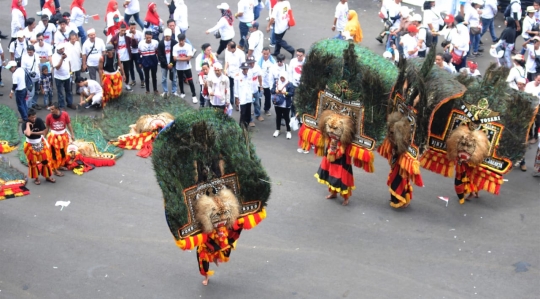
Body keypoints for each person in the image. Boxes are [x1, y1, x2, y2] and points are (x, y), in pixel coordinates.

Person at [22, 109, 55, 185]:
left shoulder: (39, 120)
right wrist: (28, 124)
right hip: (30, 144)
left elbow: (43, 132)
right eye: (32, 118)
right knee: (33, 163)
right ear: (28, 117)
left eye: (35, 117)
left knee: (45, 161)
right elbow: (27, 133)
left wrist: (33, 132)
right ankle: (36, 178)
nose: (34, 119)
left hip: (40, 142)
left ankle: (47, 176)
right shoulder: (24, 124)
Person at [46, 103, 75, 177]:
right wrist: (44, 138)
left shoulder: (65, 114)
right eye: (50, 109)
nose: (51, 111)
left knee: (62, 152)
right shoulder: (49, 117)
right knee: (54, 154)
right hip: (53, 138)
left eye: (52, 109)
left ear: (57, 109)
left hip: (63, 137)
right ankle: (55, 169)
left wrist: (72, 134)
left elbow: (69, 124)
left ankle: (60, 165)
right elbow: (47, 128)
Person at [172, 33, 196, 103]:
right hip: (179, 67)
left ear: (184, 39)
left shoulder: (188, 46)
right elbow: (174, 58)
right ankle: (182, 93)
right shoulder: (175, 47)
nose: (181, 42)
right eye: (180, 40)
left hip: (187, 67)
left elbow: (189, 58)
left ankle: (194, 95)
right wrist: (184, 58)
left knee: (190, 81)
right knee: (180, 80)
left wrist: (178, 58)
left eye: (182, 40)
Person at [110, 23, 135, 91]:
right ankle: (117, 85)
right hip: (118, 58)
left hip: (126, 57)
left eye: (124, 30)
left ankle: (127, 84)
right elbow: (110, 45)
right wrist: (113, 53)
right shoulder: (115, 37)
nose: (123, 32)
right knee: (116, 71)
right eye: (122, 30)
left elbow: (133, 44)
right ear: (119, 29)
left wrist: (132, 39)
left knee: (126, 71)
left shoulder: (127, 37)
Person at [271, 70, 294, 139]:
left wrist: (285, 93)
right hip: (277, 103)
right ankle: (278, 129)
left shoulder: (290, 84)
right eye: (281, 78)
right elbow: (271, 90)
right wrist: (275, 91)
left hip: (286, 104)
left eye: (283, 78)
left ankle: (288, 131)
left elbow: (292, 93)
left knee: (287, 118)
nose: (282, 79)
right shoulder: (276, 83)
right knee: (278, 117)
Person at [52, 44, 75, 110]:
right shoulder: (54, 56)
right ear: (57, 50)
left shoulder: (66, 53)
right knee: (60, 92)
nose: (62, 50)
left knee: (69, 90)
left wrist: (71, 71)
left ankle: (69, 103)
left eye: (63, 49)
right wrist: (62, 59)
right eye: (60, 49)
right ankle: (62, 106)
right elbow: (57, 67)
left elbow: (69, 62)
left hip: (67, 76)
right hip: (58, 77)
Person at [157, 28, 178, 98]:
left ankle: (174, 91)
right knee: (163, 79)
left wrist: (171, 64)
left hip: (172, 64)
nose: (167, 37)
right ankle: (165, 91)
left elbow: (175, 55)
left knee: (174, 78)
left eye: (168, 36)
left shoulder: (174, 43)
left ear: (171, 36)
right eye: (166, 36)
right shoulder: (161, 43)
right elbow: (160, 55)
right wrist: (166, 64)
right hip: (164, 65)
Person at [224, 41, 245, 108]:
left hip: (237, 74)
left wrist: (239, 73)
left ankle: (238, 103)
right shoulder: (227, 51)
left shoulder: (241, 54)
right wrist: (225, 69)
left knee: (237, 89)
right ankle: (231, 101)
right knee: (230, 87)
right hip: (229, 73)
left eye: (229, 48)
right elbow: (227, 62)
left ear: (233, 48)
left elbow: (243, 65)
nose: (227, 49)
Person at [21, 45, 41, 111]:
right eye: (28, 52)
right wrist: (29, 73)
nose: (29, 53)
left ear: (34, 51)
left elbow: (38, 65)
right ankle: (27, 108)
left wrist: (39, 75)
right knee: (30, 94)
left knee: (37, 92)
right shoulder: (24, 57)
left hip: (37, 77)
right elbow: (23, 69)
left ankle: (33, 104)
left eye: (31, 52)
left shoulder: (36, 55)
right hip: (29, 79)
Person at [127, 21, 145, 88]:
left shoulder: (140, 33)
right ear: (129, 27)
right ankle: (133, 80)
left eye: (134, 27)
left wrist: (134, 40)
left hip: (137, 53)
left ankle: (142, 80)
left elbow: (142, 43)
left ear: (136, 27)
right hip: (130, 53)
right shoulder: (127, 33)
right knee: (131, 68)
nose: (133, 29)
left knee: (138, 68)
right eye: (131, 28)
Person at [235, 62, 253, 129]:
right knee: (243, 113)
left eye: (247, 69)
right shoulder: (238, 77)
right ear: (242, 69)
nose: (246, 70)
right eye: (244, 69)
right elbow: (236, 88)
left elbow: (251, 86)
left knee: (248, 113)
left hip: (248, 97)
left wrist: (252, 94)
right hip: (242, 98)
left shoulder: (249, 75)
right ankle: (241, 127)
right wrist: (236, 98)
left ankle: (246, 125)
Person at [258, 47, 275, 116]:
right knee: (258, 97)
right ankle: (257, 109)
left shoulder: (273, 62)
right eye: (264, 54)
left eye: (267, 54)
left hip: (268, 83)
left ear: (269, 53)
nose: (265, 55)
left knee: (268, 97)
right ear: (262, 53)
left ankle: (266, 109)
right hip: (259, 83)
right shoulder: (258, 61)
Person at [247, 56, 263, 125]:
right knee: (248, 106)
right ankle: (250, 120)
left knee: (257, 104)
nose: (251, 64)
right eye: (250, 63)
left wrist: (261, 86)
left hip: (255, 89)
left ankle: (258, 115)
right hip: (248, 91)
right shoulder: (246, 70)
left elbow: (259, 77)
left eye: (252, 63)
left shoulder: (257, 68)